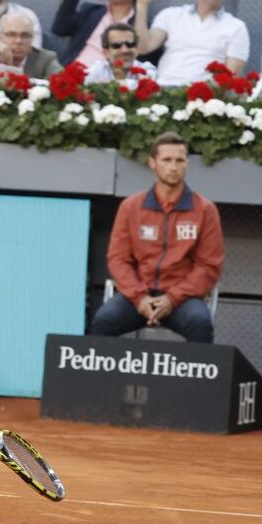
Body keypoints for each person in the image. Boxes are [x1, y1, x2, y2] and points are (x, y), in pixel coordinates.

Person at [89, 133, 224, 343]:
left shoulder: (205, 209)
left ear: (187, 164)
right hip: (136, 297)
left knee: (201, 324)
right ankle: (100, 378)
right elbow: (118, 259)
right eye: (166, 160)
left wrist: (172, 298)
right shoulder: (131, 206)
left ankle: (187, 378)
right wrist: (139, 297)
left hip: (181, 299)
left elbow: (209, 266)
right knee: (103, 321)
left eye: (179, 160)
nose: (173, 167)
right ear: (152, 163)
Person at [134, 0, 249, 86]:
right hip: (164, 89)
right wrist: (142, 5)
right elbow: (143, 47)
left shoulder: (236, 27)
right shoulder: (170, 14)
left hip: (203, 100)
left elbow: (233, 76)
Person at [0, 12, 62, 80]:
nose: (18, 41)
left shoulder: (45, 59)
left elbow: (63, 84)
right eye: (11, 34)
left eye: (25, 35)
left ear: (32, 39)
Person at [52, 0, 134, 68]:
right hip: (70, 74)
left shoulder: (139, 26)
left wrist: (142, 7)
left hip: (104, 83)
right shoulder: (92, 11)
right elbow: (60, 29)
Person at [84, 22, 156, 86]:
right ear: (105, 53)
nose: (125, 50)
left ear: (137, 50)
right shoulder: (98, 69)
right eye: (117, 45)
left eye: (130, 44)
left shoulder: (147, 69)